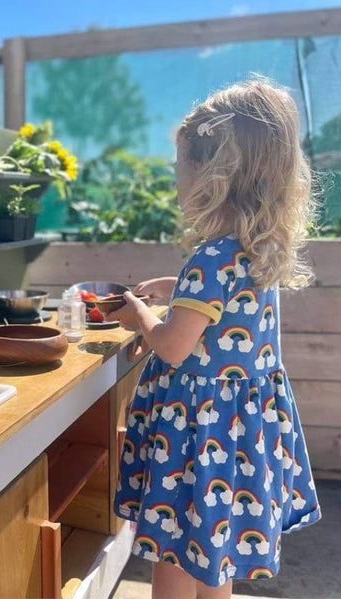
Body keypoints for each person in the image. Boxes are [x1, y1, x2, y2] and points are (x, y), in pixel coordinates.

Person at [106, 78, 322, 599]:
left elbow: (176, 346)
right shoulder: (253, 251)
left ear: (213, 173)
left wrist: (139, 314)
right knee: (212, 551)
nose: (174, 176)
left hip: (196, 435)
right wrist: (173, 287)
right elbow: (225, 312)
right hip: (237, 434)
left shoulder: (208, 258)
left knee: (176, 555)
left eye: (180, 163)